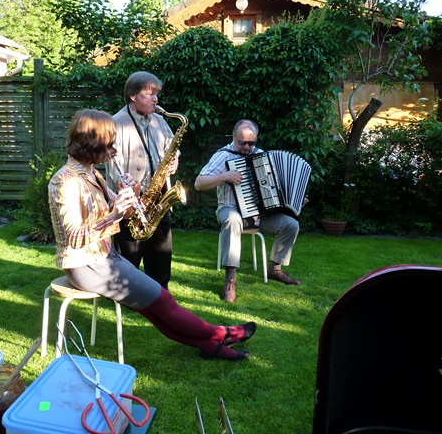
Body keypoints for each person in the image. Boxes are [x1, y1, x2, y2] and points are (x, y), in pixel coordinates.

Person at [49, 109, 255, 360]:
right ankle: (222, 333)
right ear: (92, 143)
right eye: (109, 143)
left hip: (104, 256)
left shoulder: (93, 173)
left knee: (152, 308)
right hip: (86, 264)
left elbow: (121, 211)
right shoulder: (66, 181)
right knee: (163, 301)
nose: (113, 149)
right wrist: (114, 214)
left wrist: (129, 194)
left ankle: (211, 347)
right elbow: (73, 237)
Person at [194, 119, 305, 303]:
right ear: (233, 137)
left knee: (291, 225)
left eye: (251, 143)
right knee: (233, 220)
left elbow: (276, 190)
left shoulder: (261, 156)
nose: (247, 147)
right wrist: (224, 176)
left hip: (257, 214)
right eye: (242, 142)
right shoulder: (223, 155)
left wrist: (295, 200)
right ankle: (230, 279)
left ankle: (275, 269)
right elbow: (199, 183)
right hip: (229, 208)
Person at [105, 71, 178, 290]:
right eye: (150, 94)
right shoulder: (115, 123)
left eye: (156, 94)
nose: (156, 99)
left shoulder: (159, 121)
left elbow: (172, 147)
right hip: (131, 200)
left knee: (161, 253)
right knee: (129, 253)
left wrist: (174, 160)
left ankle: (161, 292)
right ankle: (125, 294)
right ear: (133, 96)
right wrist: (127, 188)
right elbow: (112, 164)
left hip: (159, 197)